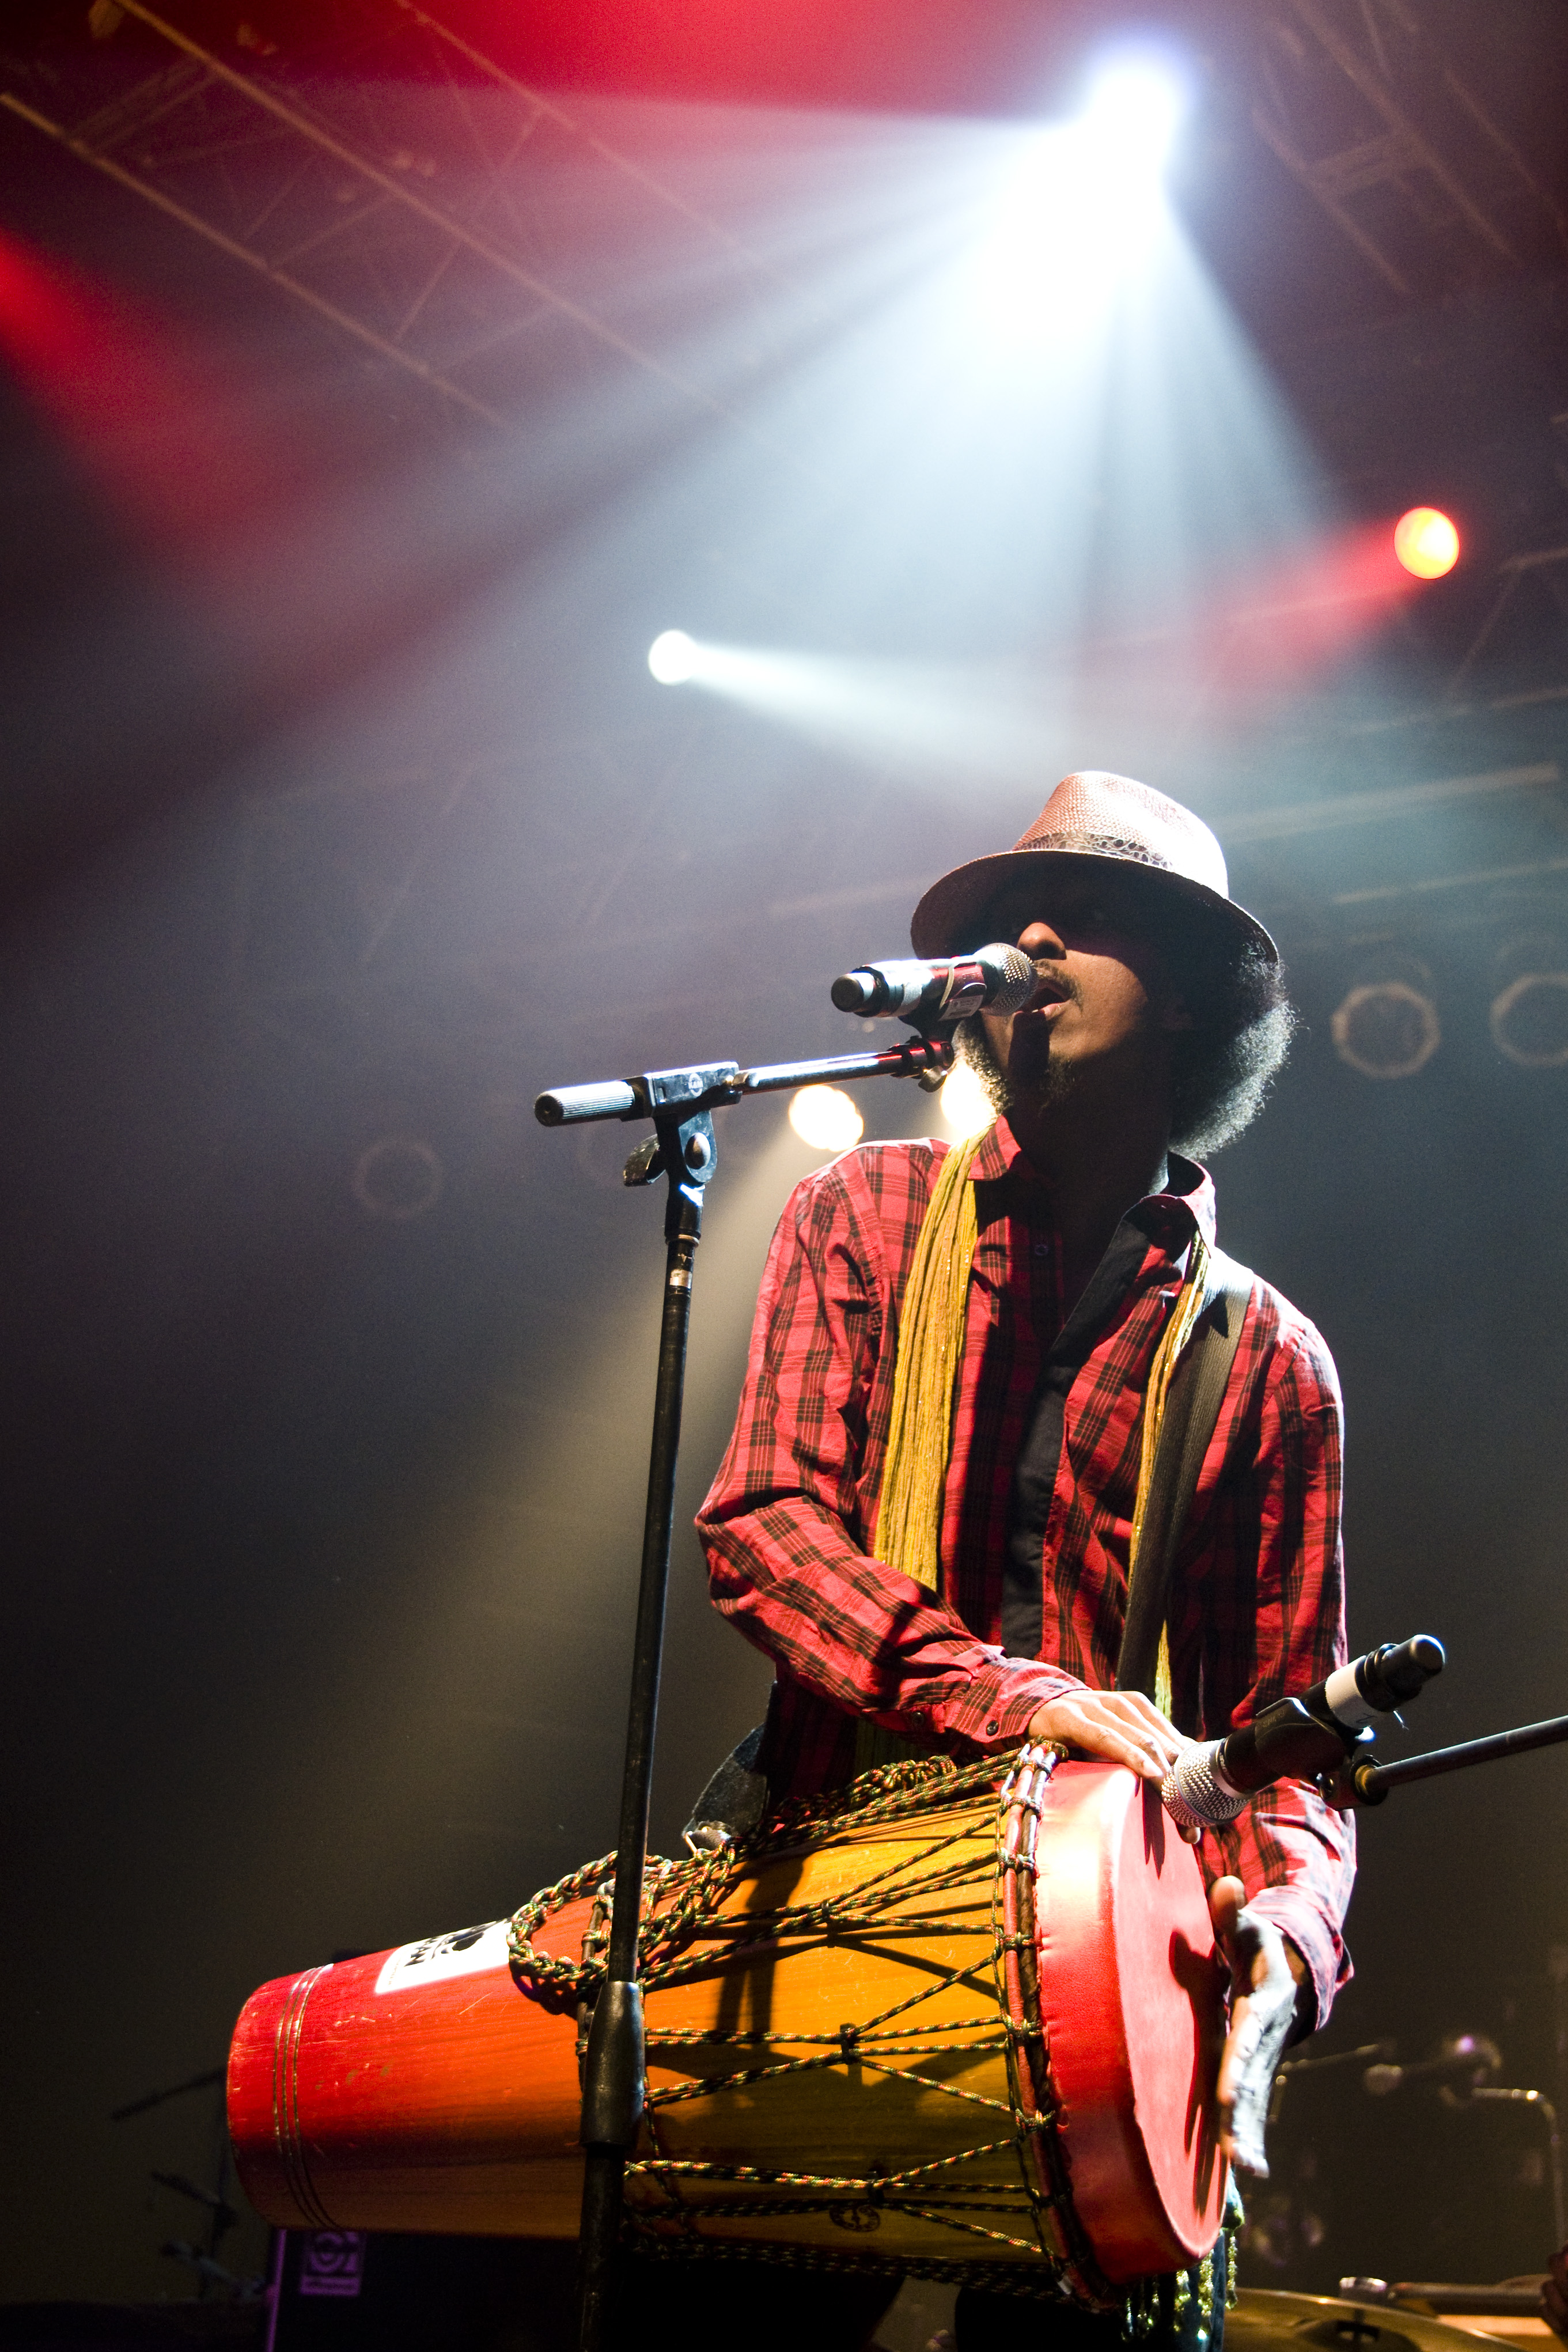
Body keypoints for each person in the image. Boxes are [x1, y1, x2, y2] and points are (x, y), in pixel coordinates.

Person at [677, 772, 1354, 2350]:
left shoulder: (1269, 1357)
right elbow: (765, 1526)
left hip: (1111, 1999)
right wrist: (1007, 1693)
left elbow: (1289, 1743)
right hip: (817, 1919)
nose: (1029, 936)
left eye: (1091, 915)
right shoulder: (859, 1210)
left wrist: (1289, 1934)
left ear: (1188, 995)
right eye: (1007, 920)